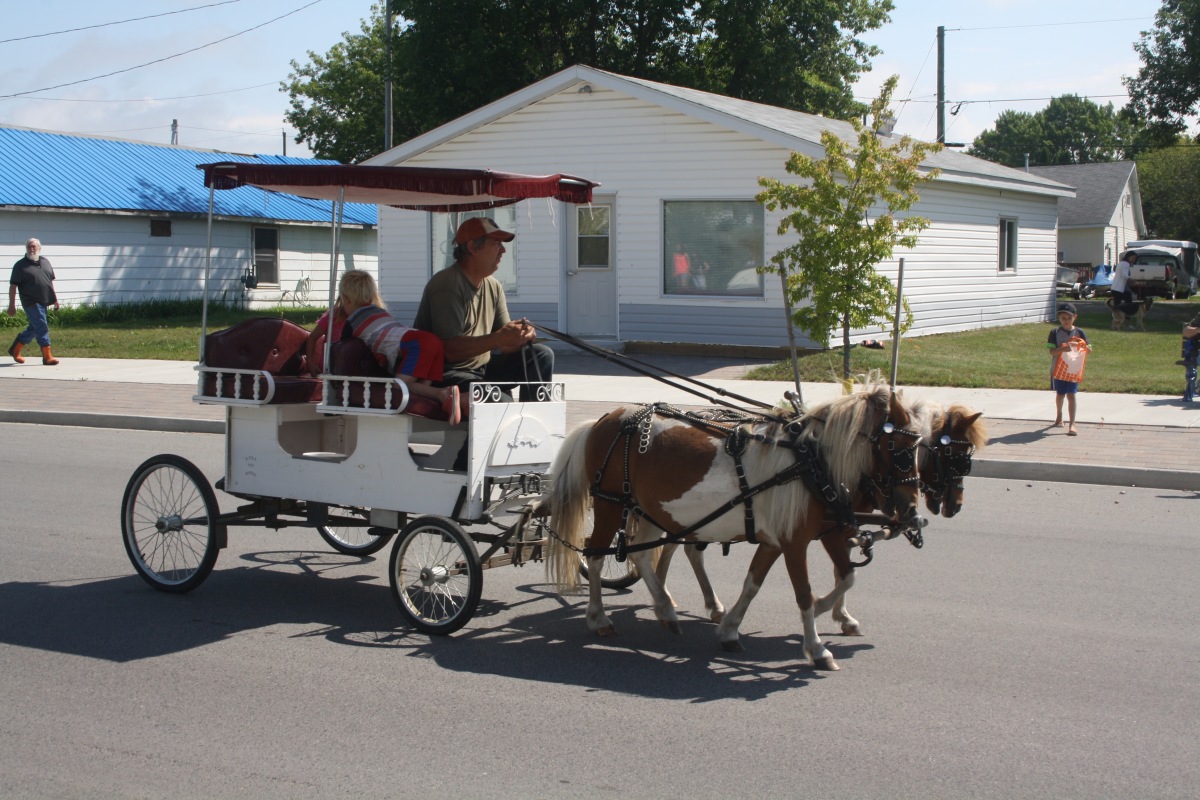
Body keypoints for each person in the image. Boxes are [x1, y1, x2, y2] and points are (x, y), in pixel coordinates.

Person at [413, 217, 553, 401]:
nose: (503, 250)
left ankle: (534, 417)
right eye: (496, 243)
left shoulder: (493, 285)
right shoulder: (447, 284)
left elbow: (503, 345)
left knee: (541, 354)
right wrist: (499, 337)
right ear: (472, 247)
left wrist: (520, 336)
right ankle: (518, 425)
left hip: (481, 370)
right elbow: (450, 351)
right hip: (444, 374)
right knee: (502, 403)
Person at [338, 270, 465, 425]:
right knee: (417, 390)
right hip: (431, 341)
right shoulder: (381, 313)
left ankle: (444, 394)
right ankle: (443, 402)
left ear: (346, 299)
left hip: (416, 343)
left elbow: (341, 348)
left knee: (398, 387)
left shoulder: (352, 322)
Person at [8, 238, 60, 365]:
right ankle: (47, 356)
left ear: (39, 248)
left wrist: (55, 299)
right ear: (26, 248)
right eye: (29, 246)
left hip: (44, 301)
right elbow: (13, 286)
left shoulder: (45, 262)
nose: (32, 248)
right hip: (30, 302)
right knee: (42, 325)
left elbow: (49, 283)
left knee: (34, 328)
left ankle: (15, 349)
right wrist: (11, 305)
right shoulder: (20, 265)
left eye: (34, 246)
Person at [1047, 302, 1090, 436]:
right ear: (1059, 318)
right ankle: (1059, 416)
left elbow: (1089, 350)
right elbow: (1052, 352)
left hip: (1073, 369)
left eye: (1069, 318)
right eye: (1063, 318)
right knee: (1060, 394)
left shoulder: (1079, 332)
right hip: (1058, 369)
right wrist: (1063, 349)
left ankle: (1072, 424)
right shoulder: (1054, 332)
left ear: (1074, 317)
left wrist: (1083, 346)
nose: (1066, 321)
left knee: (1071, 394)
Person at [304, 297, 348, 377]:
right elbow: (312, 337)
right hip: (330, 368)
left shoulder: (365, 317)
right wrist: (310, 363)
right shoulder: (333, 316)